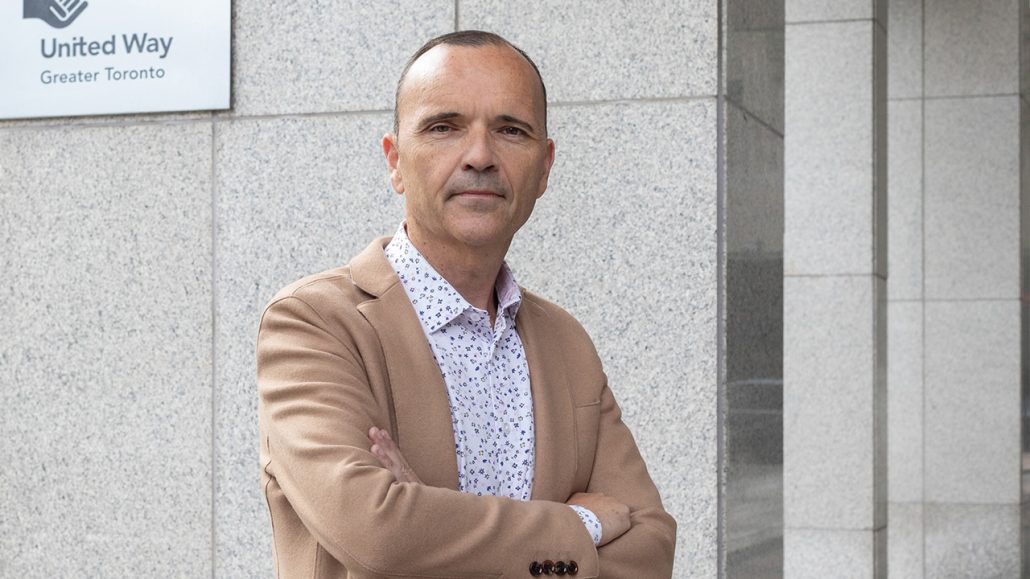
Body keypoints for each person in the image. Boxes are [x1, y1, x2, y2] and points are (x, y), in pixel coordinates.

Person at [257, 30, 676, 578]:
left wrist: (431, 530)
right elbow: (378, 533)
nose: (480, 156)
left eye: (511, 130)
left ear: (545, 167)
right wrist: (581, 528)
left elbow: (650, 548)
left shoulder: (567, 343)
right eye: (443, 127)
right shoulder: (314, 324)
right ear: (395, 161)